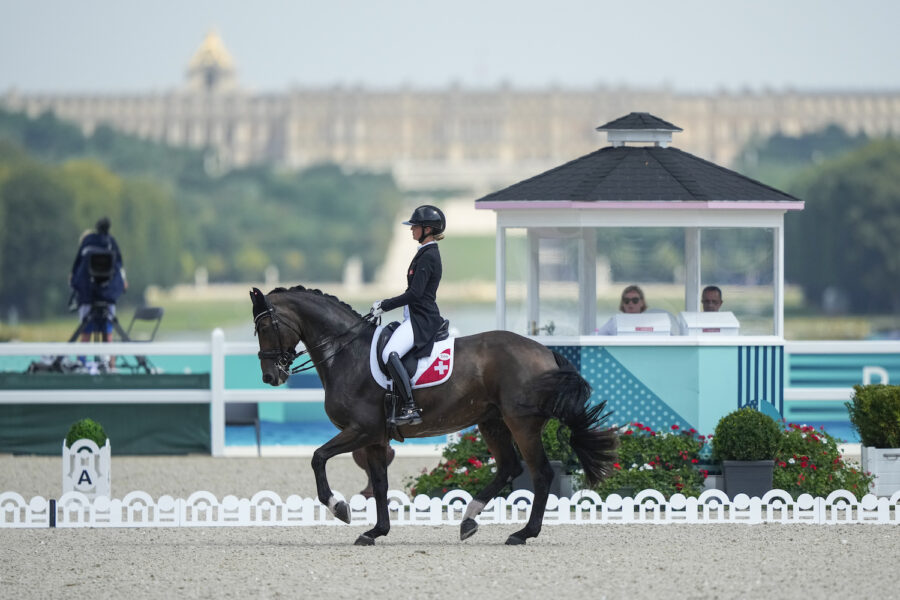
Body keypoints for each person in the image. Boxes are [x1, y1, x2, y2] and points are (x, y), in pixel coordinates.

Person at [370, 205, 446, 426]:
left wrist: (385, 305)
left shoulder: (429, 255)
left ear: (428, 229)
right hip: (414, 316)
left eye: (415, 226)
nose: (412, 230)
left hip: (421, 319)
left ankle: (410, 406)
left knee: (390, 353)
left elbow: (415, 293)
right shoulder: (424, 252)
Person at [69, 217, 128, 344]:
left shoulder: (88, 243)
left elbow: (76, 270)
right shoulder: (111, 243)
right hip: (108, 295)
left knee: (85, 334)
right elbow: (119, 265)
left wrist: (75, 283)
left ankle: (82, 362)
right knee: (108, 335)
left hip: (88, 295)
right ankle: (109, 363)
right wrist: (120, 284)